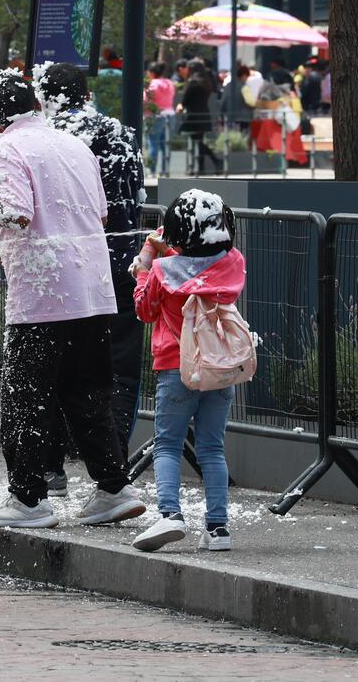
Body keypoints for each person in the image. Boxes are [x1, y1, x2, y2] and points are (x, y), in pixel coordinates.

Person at [0, 69, 145, 529]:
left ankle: (28, 499)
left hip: (43, 297)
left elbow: (15, 214)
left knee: (25, 398)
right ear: (37, 106)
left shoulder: (7, 148)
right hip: (93, 290)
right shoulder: (74, 145)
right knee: (88, 395)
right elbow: (97, 217)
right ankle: (113, 488)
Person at [33, 62, 146, 495]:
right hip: (122, 263)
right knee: (119, 372)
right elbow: (135, 197)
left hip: (69, 269)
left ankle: (50, 467)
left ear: (45, 99)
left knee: (54, 366)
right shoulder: (121, 134)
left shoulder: (48, 139)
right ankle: (114, 471)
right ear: (85, 94)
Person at [129, 189, 245, 553]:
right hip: (218, 369)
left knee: (168, 444)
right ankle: (218, 528)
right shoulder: (232, 263)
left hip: (176, 368)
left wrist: (144, 269)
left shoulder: (162, 271)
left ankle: (171, 515)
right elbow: (196, 267)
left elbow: (145, 310)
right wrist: (169, 250)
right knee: (212, 448)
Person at [178, 62, 221, 174]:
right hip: (203, 114)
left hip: (193, 115)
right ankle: (203, 166)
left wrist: (180, 106)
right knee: (199, 141)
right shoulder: (206, 82)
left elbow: (185, 99)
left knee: (196, 142)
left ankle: (200, 166)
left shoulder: (193, 82)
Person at [144, 63, 175, 176]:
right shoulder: (170, 83)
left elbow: (145, 100)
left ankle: (152, 171)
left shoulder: (152, 84)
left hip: (154, 116)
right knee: (165, 144)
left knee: (153, 144)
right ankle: (165, 170)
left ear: (152, 73)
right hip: (170, 115)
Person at [220, 64, 255, 133]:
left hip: (230, 117)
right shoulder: (244, 87)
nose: (246, 79)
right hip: (244, 118)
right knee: (243, 136)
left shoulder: (228, 86)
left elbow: (223, 101)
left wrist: (221, 114)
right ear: (244, 75)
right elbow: (251, 102)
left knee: (232, 136)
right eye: (247, 77)